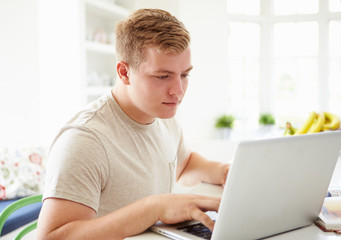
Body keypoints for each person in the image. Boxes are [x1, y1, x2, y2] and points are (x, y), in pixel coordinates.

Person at [37, 8, 229, 239]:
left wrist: (223, 172)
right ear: (124, 72)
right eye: (162, 76)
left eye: (184, 75)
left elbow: (185, 165)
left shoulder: (163, 116)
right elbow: (52, 237)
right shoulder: (84, 140)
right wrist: (155, 208)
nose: (178, 91)